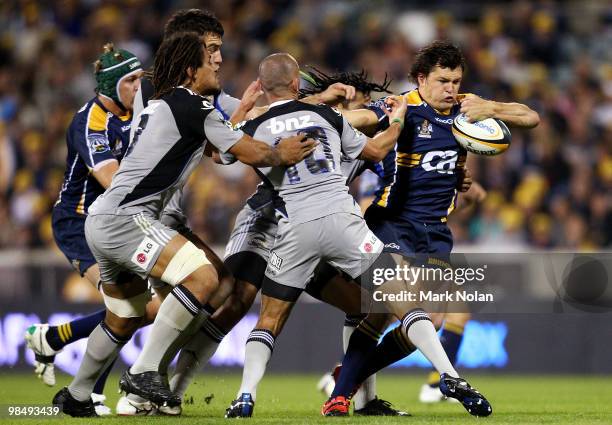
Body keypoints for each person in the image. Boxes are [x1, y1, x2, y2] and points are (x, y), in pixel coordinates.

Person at [50, 32, 314, 417]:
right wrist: (280, 153)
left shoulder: (163, 103)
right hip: (128, 219)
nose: (218, 64)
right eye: (210, 60)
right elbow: (245, 150)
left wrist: (240, 121)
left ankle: (75, 396)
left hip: (103, 220)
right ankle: (142, 372)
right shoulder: (191, 105)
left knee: (123, 318)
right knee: (205, 278)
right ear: (192, 71)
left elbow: (218, 145)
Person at [323, 40, 539, 417]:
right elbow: (357, 120)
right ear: (421, 79)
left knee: (427, 319)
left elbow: (530, 117)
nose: (451, 88)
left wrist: (492, 108)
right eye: (443, 80)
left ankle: (347, 380)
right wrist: (316, 116)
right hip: (392, 224)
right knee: (401, 306)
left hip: (435, 231)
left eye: (456, 80)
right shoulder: (403, 107)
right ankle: (430, 381)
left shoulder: (466, 108)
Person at [222, 52, 407, 418]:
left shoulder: (350, 136)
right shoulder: (324, 120)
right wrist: (386, 111)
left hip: (319, 234)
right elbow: (355, 116)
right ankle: (172, 380)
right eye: (360, 101)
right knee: (240, 306)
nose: (367, 109)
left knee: (366, 307)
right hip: (281, 226)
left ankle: (357, 395)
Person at [24, 43, 143, 416]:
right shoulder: (90, 121)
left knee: (136, 309)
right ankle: (89, 390)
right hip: (79, 224)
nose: (139, 87)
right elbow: (110, 177)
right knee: (121, 306)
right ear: (111, 84)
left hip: (114, 222)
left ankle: (54, 338)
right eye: (132, 80)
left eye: (140, 78)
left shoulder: (135, 109)